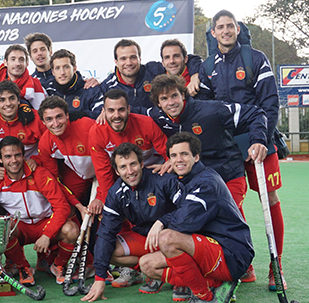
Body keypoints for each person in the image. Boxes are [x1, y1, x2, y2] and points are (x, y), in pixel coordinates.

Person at [200, 10, 285, 288]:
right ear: (213, 33)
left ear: (237, 29)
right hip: (226, 149)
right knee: (230, 204)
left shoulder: (256, 58)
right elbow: (205, 110)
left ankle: (277, 266)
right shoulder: (207, 65)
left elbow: (270, 104)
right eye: (220, 27)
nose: (225, 31)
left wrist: (261, 139)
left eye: (230, 26)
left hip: (259, 141)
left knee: (269, 199)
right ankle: (244, 263)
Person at [136, 132, 253, 303]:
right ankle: (216, 283)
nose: (179, 159)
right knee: (146, 264)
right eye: (174, 155)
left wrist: (161, 221)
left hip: (230, 254)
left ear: (196, 157)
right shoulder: (182, 180)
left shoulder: (206, 181)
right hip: (207, 249)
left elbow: (183, 222)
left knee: (167, 238)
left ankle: (203, 296)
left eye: (184, 154)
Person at [148, 74, 268, 217]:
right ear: (158, 104)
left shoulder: (212, 110)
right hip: (196, 182)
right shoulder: (158, 116)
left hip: (228, 177)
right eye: (164, 99)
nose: (171, 102)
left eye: (174, 96)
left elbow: (255, 113)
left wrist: (258, 140)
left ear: (183, 95)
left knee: (219, 218)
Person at [81, 143, 182, 301]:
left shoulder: (163, 180)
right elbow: (106, 233)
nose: (130, 172)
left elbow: (188, 211)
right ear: (117, 171)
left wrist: (162, 221)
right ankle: (153, 271)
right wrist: (99, 278)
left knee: (170, 241)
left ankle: (182, 278)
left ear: (142, 163)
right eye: (123, 167)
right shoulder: (116, 193)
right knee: (111, 250)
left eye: (133, 164)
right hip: (148, 238)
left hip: (174, 238)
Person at [0, 137, 77, 285]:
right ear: (0, 159)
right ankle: (23, 268)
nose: (14, 160)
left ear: (24, 156)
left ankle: (58, 265)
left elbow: (62, 207)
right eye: (8, 156)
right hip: (20, 227)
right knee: (1, 229)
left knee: (72, 230)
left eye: (17, 155)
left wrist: (47, 235)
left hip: (45, 223)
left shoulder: (41, 174)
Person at [87, 89, 169, 215]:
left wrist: (168, 165)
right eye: (111, 110)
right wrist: (110, 203)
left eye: (121, 109)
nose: (116, 115)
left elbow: (168, 152)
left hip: (153, 173)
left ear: (129, 109)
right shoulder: (97, 132)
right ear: (103, 111)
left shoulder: (146, 123)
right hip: (124, 177)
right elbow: (104, 173)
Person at [35, 96, 94, 214]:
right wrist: (77, 205)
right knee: (67, 208)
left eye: (59, 117)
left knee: (108, 206)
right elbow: (54, 179)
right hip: (78, 173)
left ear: (67, 115)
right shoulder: (45, 142)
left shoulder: (87, 126)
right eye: (49, 119)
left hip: (102, 169)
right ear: (43, 122)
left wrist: (100, 196)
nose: (55, 124)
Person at [0, 80, 45, 178]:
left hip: (36, 169)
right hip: (9, 174)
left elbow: (50, 147)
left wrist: (36, 160)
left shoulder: (36, 119)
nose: (8, 104)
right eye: (2, 100)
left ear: (18, 100)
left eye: (12, 98)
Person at [100, 39, 162, 111]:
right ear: (116, 62)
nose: (129, 63)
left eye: (133, 57)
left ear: (140, 59)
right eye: (123, 59)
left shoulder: (154, 72)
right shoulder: (107, 87)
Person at [48, 49, 105, 119]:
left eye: (66, 67)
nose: (62, 72)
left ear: (74, 68)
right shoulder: (48, 91)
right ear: (53, 72)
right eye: (57, 68)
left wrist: (83, 115)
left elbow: (102, 114)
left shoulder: (90, 89)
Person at [0, 44, 47, 109]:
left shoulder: (36, 86)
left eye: (21, 59)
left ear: (27, 63)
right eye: (13, 59)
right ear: (5, 62)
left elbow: (42, 113)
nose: (17, 64)